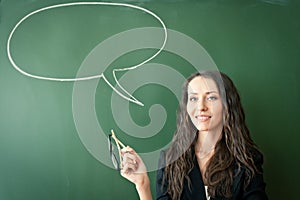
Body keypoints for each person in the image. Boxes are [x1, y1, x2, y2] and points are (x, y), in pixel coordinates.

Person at [119, 70, 268, 200]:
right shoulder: (170, 159)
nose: (201, 107)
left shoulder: (247, 159)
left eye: (211, 98)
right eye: (193, 98)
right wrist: (143, 185)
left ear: (226, 104)